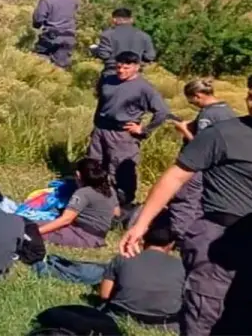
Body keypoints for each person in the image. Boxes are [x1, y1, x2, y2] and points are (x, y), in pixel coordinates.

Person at [120, 81, 252, 336]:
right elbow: (175, 177)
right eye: (250, 95)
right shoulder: (223, 133)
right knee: (206, 317)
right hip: (219, 240)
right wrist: (141, 224)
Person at [88, 51, 170, 206]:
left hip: (122, 134)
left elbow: (162, 112)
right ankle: (95, 200)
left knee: (120, 170)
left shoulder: (144, 88)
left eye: (126, 68)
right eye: (119, 67)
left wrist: (144, 130)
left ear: (136, 67)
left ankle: (123, 206)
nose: (121, 71)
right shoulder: (107, 80)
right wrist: (96, 126)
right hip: (101, 130)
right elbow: (102, 102)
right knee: (94, 164)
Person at [167, 79, 237, 245]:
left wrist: (184, 130)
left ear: (198, 96)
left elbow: (201, 146)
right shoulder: (227, 110)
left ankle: (180, 237)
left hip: (198, 167)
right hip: (219, 168)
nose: (191, 103)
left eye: (191, 100)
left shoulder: (208, 114)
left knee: (185, 201)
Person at [100, 212, 183, 330]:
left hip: (120, 316)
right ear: (171, 244)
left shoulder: (124, 257)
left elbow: (104, 294)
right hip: (165, 324)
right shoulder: (182, 266)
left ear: (143, 238)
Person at [39, 158, 120, 248]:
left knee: (31, 226)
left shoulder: (82, 193)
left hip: (82, 237)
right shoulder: (110, 190)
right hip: (99, 236)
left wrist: (38, 231)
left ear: (78, 174)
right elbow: (116, 213)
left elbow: (66, 220)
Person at [32, 0, 80, 69]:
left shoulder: (47, 0)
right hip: (69, 36)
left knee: (40, 62)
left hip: (51, 36)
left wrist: (37, 26)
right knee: (60, 67)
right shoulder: (74, 0)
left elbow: (38, 19)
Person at [93, 8, 156, 78]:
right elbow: (150, 56)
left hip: (112, 74)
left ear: (114, 19)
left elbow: (104, 55)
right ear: (131, 19)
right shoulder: (144, 36)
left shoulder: (107, 35)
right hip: (134, 75)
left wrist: (95, 50)